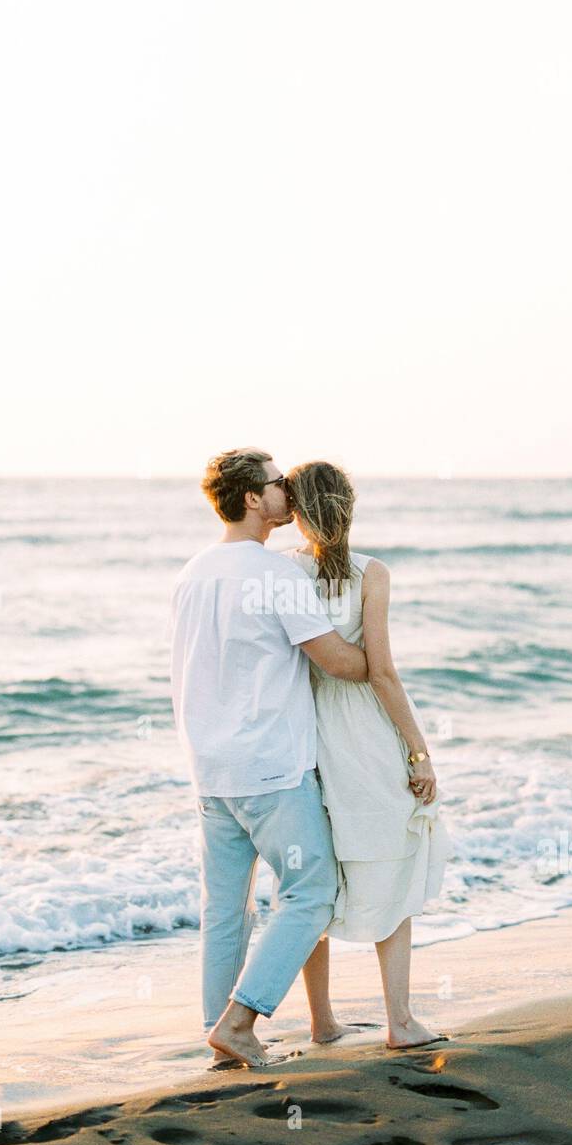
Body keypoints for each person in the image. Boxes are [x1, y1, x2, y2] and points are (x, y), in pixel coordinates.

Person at [169, 447, 368, 1068]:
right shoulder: (275, 574)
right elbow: (335, 660)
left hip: (210, 767)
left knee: (224, 909)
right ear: (253, 498)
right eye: (277, 482)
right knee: (312, 893)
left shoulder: (192, 572)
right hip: (272, 768)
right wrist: (383, 666)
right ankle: (240, 1020)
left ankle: (221, 1030)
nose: (288, 490)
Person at [281, 459, 453, 1050]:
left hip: (305, 736)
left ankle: (322, 1022)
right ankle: (399, 1022)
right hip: (367, 739)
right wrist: (418, 751)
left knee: (311, 878)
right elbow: (382, 673)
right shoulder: (371, 573)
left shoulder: (281, 574)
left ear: (296, 514)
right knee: (394, 863)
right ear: (350, 507)